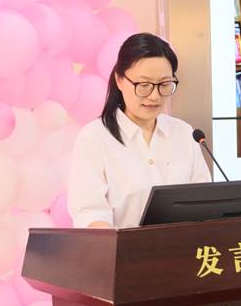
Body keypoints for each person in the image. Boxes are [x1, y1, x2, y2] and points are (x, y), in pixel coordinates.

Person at [67, 32, 211, 229]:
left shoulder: (184, 133)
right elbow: (89, 212)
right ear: (119, 80)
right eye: (144, 85)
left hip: (181, 246)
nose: (154, 96)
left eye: (164, 84)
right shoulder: (95, 138)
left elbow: (202, 202)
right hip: (121, 248)